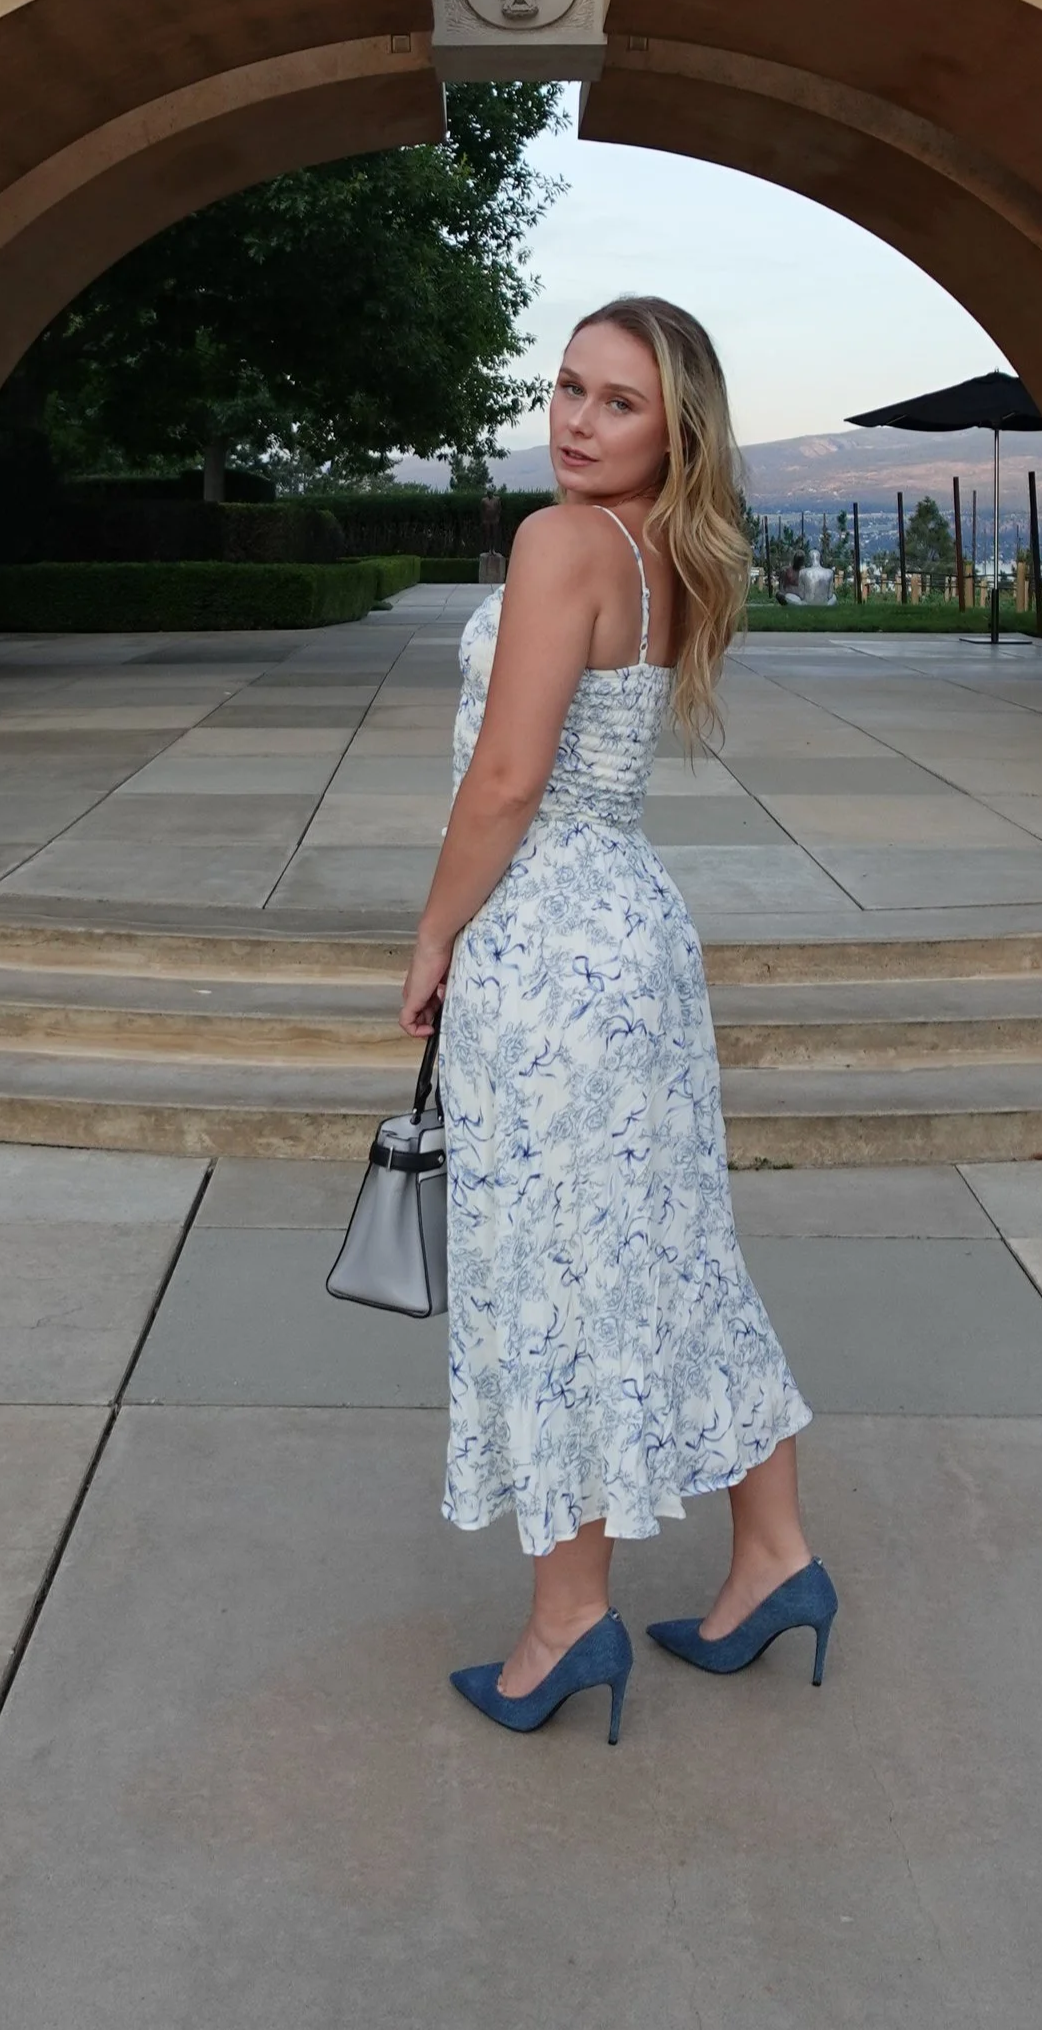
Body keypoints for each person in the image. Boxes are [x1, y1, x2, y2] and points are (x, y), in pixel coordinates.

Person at [399, 295, 834, 1747]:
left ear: (676, 427)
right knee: (672, 1247)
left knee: (556, 1275)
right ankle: (772, 1555)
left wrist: (434, 927)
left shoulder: (559, 541)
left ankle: (565, 1621)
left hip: (542, 950)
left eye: (615, 402)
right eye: (566, 388)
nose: (574, 421)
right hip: (635, 937)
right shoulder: (674, 555)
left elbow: (508, 776)